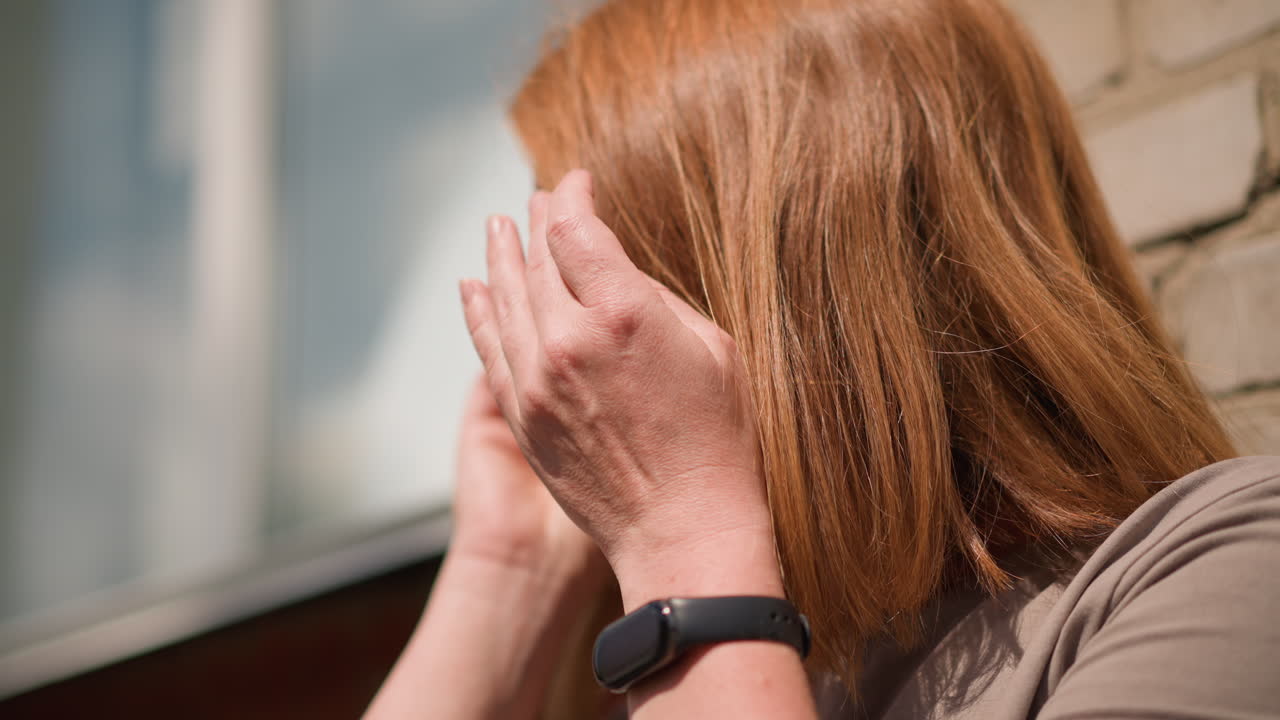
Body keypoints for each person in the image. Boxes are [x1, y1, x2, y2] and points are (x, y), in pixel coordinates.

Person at [366, 0, 1280, 717]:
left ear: (781, 291)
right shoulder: (771, 664)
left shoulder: (1225, 572)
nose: (561, 347)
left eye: (585, 280)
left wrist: (681, 545)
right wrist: (509, 569)